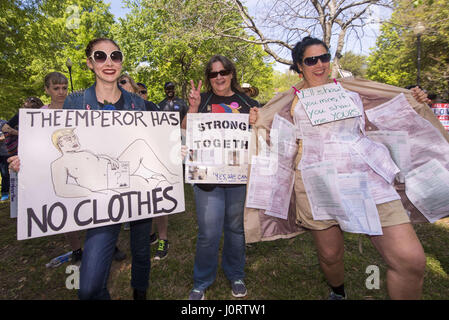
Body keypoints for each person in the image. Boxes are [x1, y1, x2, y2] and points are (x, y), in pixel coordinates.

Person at [254, 37, 427, 300]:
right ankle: (338, 292)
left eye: (324, 57)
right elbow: (270, 135)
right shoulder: (289, 99)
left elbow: (389, 107)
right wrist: (257, 120)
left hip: (368, 181)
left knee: (411, 260)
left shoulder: (354, 90)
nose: (320, 64)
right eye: (311, 60)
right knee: (331, 256)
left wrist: (411, 97)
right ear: (300, 66)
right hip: (317, 185)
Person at [61, 37, 153, 300]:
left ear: (122, 61)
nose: (109, 62)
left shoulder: (137, 102)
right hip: (101, 199)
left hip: (137, 189)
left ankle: (140, 293)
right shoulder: (75, 101)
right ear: (90, 64)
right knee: (89, 289)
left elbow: (149, 143)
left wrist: (171, 152)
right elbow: (58, 148)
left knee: (141, 249)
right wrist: (29, 161)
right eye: (100, 57)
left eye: (115, 56)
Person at [181, 55, 260, 300]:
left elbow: (262, 138)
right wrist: (192, 108)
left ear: (231, 74)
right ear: (209, 77)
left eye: (223, 72)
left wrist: (256, 123)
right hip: (207, 177)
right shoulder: (201, 100)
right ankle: (202, 281)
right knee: (208, 232)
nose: (219, 77)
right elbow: (184, 133)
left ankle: (236, 274)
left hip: (237, 177)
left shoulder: (247, 101)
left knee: (235, 229)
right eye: (213, 74)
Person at [150, 81, 189, 260]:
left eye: (172, 88)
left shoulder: (182, 103)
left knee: (179, 164)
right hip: (165, 141)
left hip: (180, 136)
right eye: (167, 89)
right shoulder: (159, 104)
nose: (170, 91)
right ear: (164, 90)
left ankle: (178, 182)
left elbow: (188, 119)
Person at [0, 120, 10, 201]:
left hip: (4, 154)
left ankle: (5, 193)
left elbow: (6, 135)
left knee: (5, 174)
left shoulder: (4, 123)